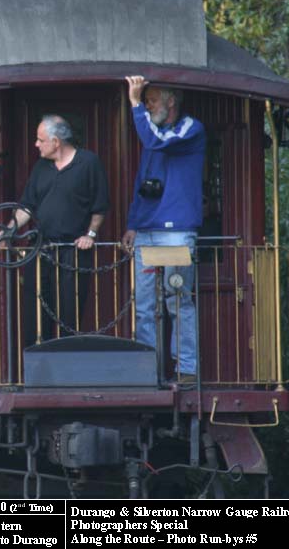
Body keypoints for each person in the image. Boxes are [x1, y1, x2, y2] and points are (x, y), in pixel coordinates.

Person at [0, 116, 109, 340]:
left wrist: (90, 235)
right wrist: (7, 232)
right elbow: (26, 207)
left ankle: (67, 361)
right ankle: (38, 360)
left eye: (40, 140)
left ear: (56, 142)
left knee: (70, 314)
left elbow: (100, 206)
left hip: (73, 250)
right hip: (40, 249)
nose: (36, 144)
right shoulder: (41, 167)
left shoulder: (88, 162)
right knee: (35, 316)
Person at [121, 75, 205, 380]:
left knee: (177, 299)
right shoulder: (151, 134)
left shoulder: (190, 128)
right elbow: (143, 184)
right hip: (147, 231)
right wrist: (133, 224)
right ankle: (148, 372)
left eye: (152, 99)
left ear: (171, 101)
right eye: (145, 101)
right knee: (144, 306)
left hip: (176, 231)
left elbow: (156, 140)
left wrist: (134, 103)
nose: (147, 105)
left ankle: (186, 369)